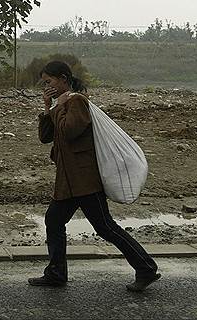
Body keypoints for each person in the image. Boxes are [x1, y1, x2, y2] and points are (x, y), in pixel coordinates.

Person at [28, 60, 160, 292]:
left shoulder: (77, 101)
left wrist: (58, 107)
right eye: (44, 83)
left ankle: (146, 268)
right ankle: (56, 273)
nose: (46, 86)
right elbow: (46, 137)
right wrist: (47, 107)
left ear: (63, 79)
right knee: (54, 221)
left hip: (85, 181)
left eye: (49, 82)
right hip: (68, 183)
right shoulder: (61, 103)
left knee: (105, 228)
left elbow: (69, 131)